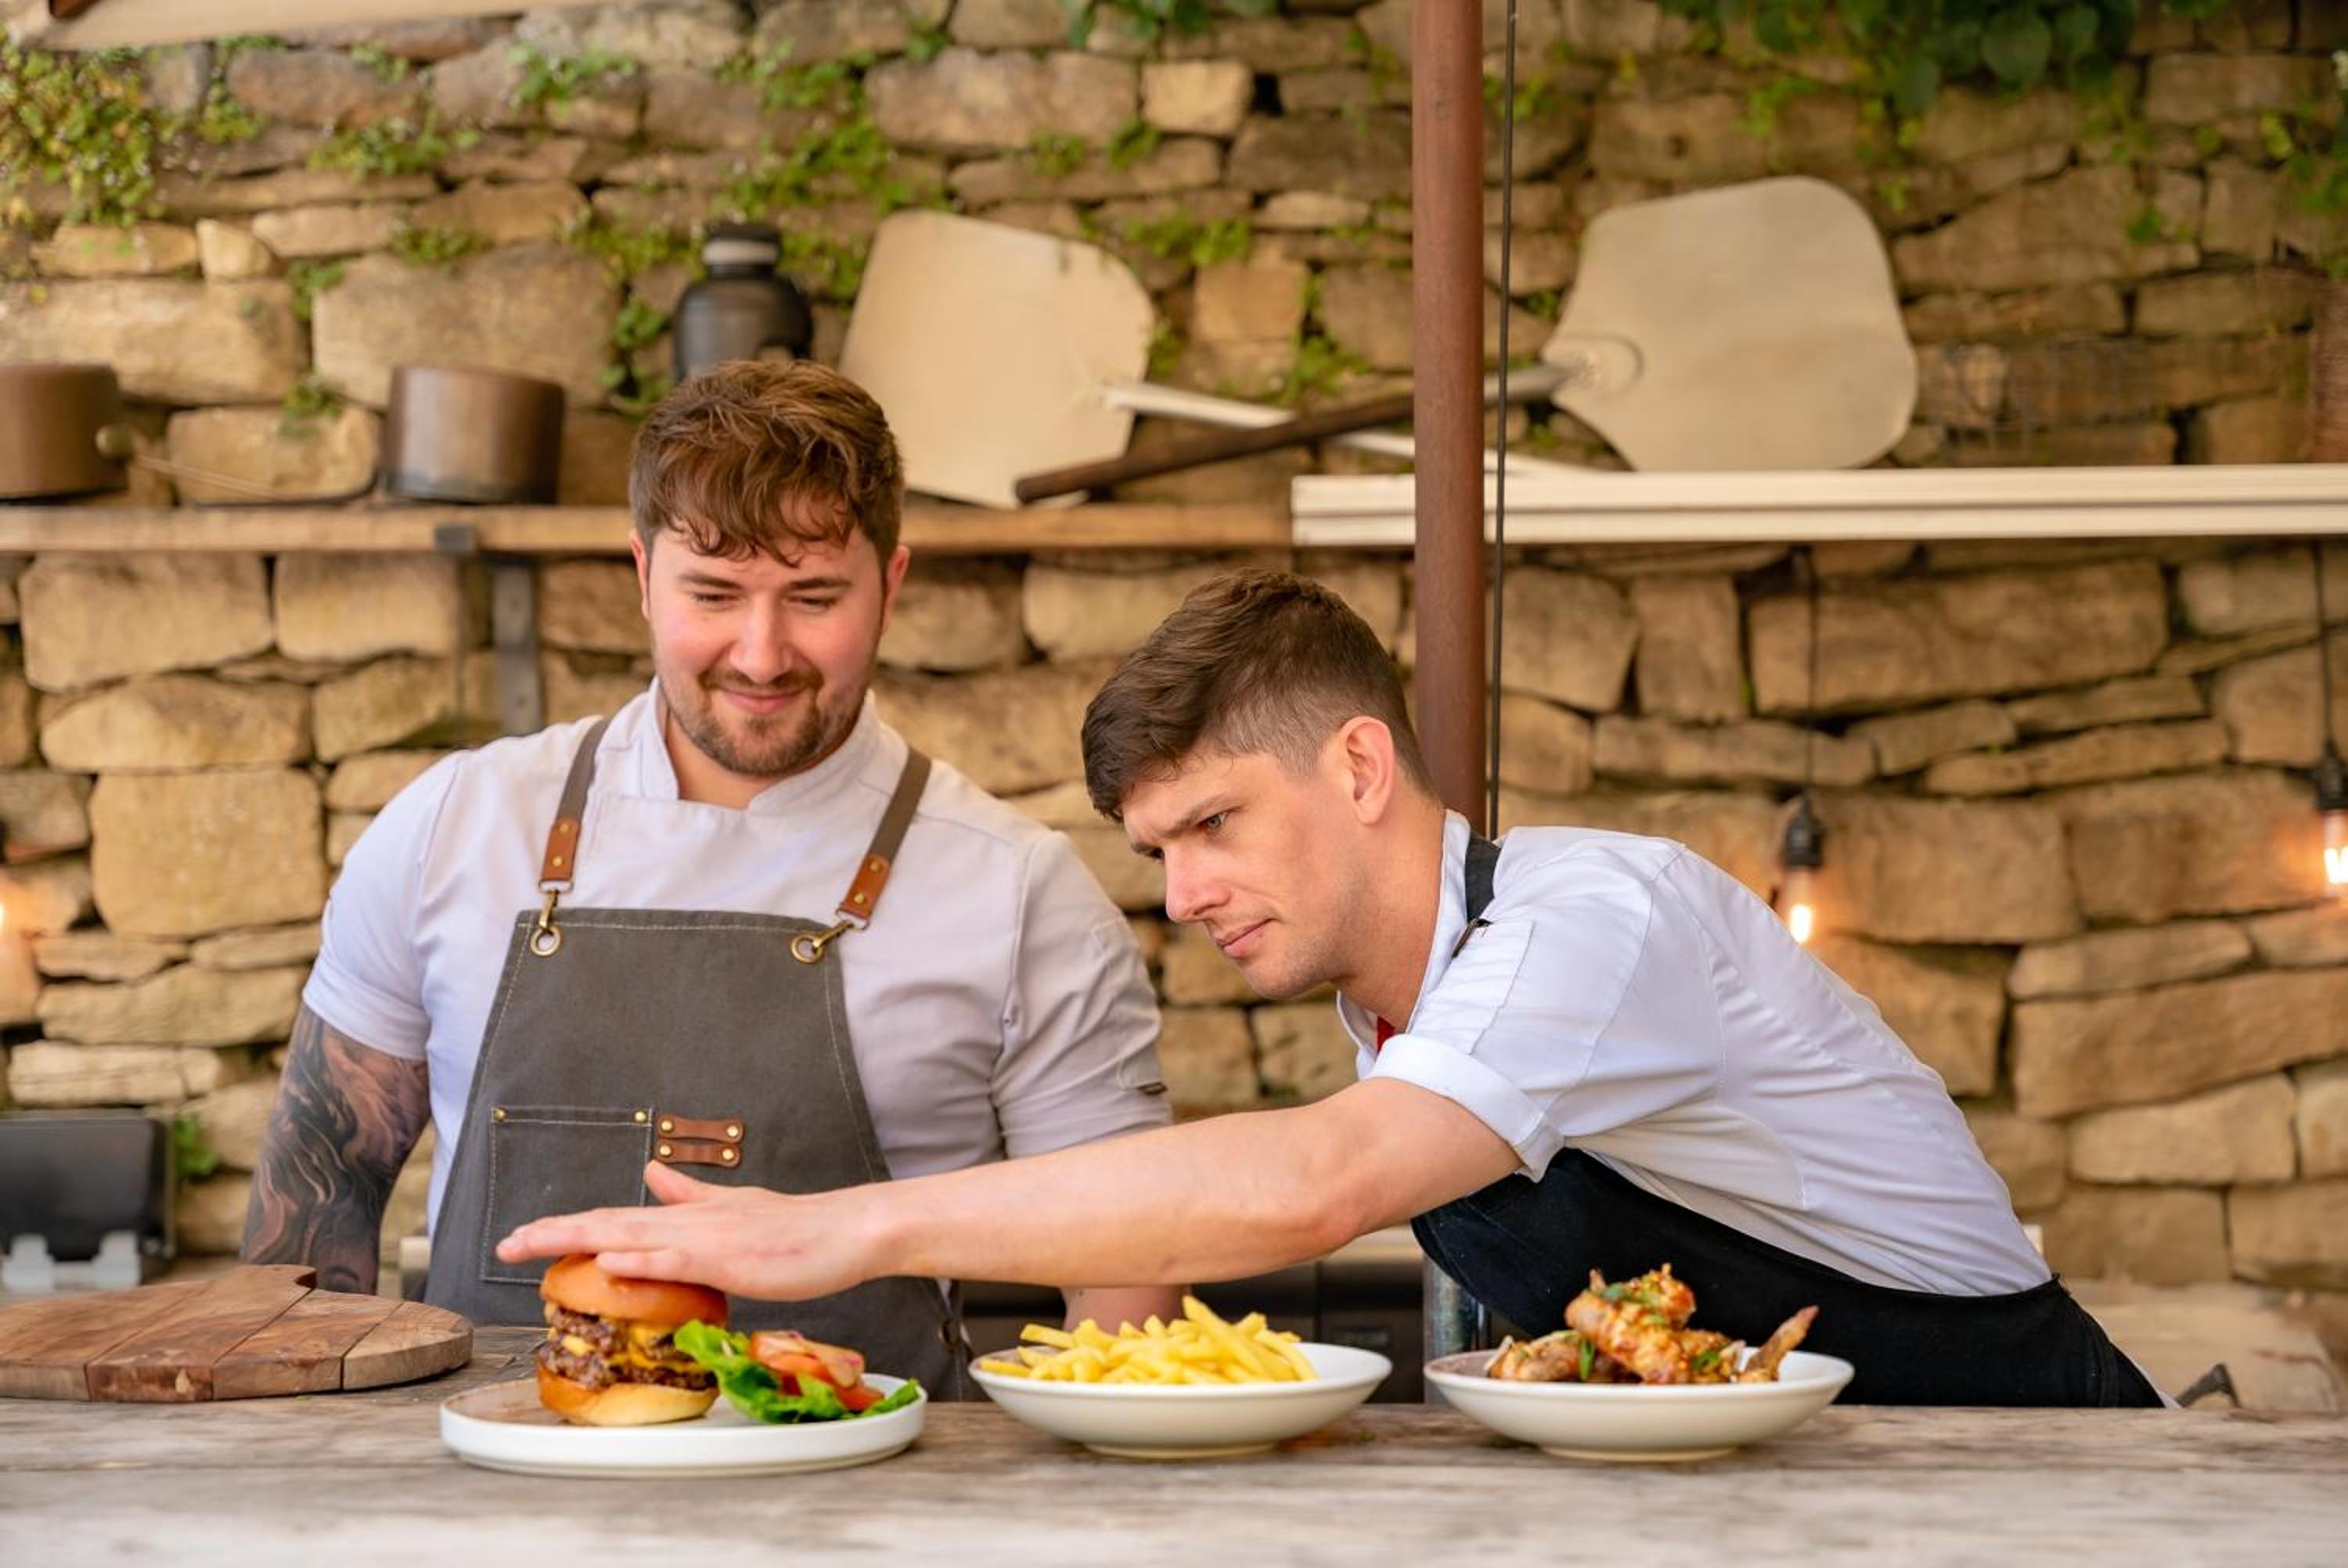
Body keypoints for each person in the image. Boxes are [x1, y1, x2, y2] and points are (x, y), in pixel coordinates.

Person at [499, 569, 2163, 1407]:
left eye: (1217, 825)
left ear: (1361, 765)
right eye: (1164, 852)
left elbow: (1315, 1181)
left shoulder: (1599, 920)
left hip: (2024, 1464)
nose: (1188, 892)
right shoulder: (1393, 997)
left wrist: (843, 1231)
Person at [244, 362, 1178, 1397]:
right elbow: (317, 1195)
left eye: (814, 597)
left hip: (877, 1512)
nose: (762, 653)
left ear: (893, 583)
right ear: (641, 575)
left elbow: (1123, 1282)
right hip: (493, 1500)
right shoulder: (453, 828)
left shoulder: (1020, 894)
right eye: (713, 595)